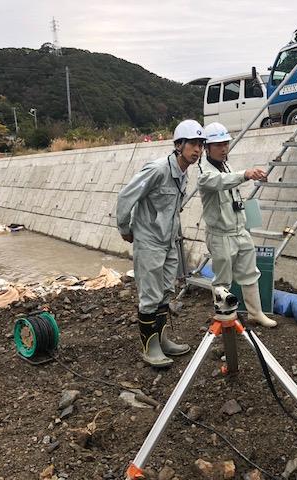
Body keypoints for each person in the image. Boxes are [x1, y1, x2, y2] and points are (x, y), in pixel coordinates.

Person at [116, 119, 206, 367]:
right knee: (150, 295)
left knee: (166, 291)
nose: (197, 150)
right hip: (149, 242)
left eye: (200, 145)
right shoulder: (157, 170)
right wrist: (125, 228)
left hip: (168, 243)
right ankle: (150, 347)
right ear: (178, 145)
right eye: (192, 144)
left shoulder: (183, 174)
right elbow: (126, 196)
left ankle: (163, 339)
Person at [198, 122, 277, 328]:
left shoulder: (227, 165)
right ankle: (225, 321)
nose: (224, 148)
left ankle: (255, 313)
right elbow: (221, 182)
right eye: (218, 145)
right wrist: (245, 174)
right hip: (220, 234)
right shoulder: (204, 172)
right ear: (207, 147)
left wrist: (246, 176)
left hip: (239, 230)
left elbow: (231, 185)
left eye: (226, 144)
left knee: (250, 273)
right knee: (222, 281)